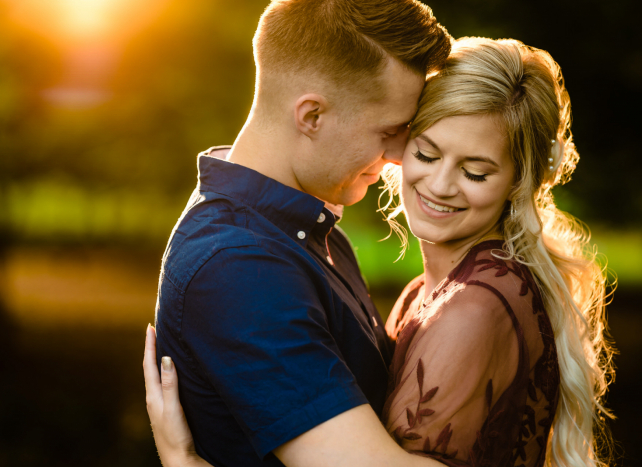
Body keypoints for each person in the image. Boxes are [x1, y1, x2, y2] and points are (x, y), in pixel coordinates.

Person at [145, 36, 615, 467]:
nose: (440, 184)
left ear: (517, 182)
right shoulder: (421, 293)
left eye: (475, 172)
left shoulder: (472, 309)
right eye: (427, 154)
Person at [152, 0, 452, 466]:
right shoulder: (237, 267)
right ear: (311, 116)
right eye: (389, 131)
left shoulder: (306, 228)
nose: (398, 155)